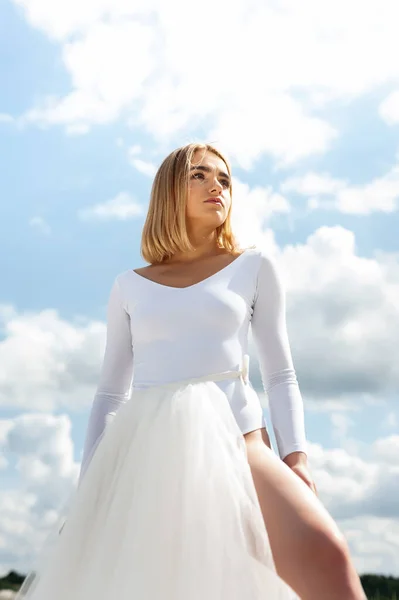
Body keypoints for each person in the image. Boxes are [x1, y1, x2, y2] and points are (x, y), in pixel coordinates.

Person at [15, 143, 366, 600]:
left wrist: (295, 457)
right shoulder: (129, 286)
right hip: (146, 460)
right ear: (168, 191)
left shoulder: (254, 267)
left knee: (327, 555)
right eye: (199, 175)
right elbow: (109, 395)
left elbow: (280, 373)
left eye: (224, 179)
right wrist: (90, 490)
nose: (216, 186)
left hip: (243, 443)